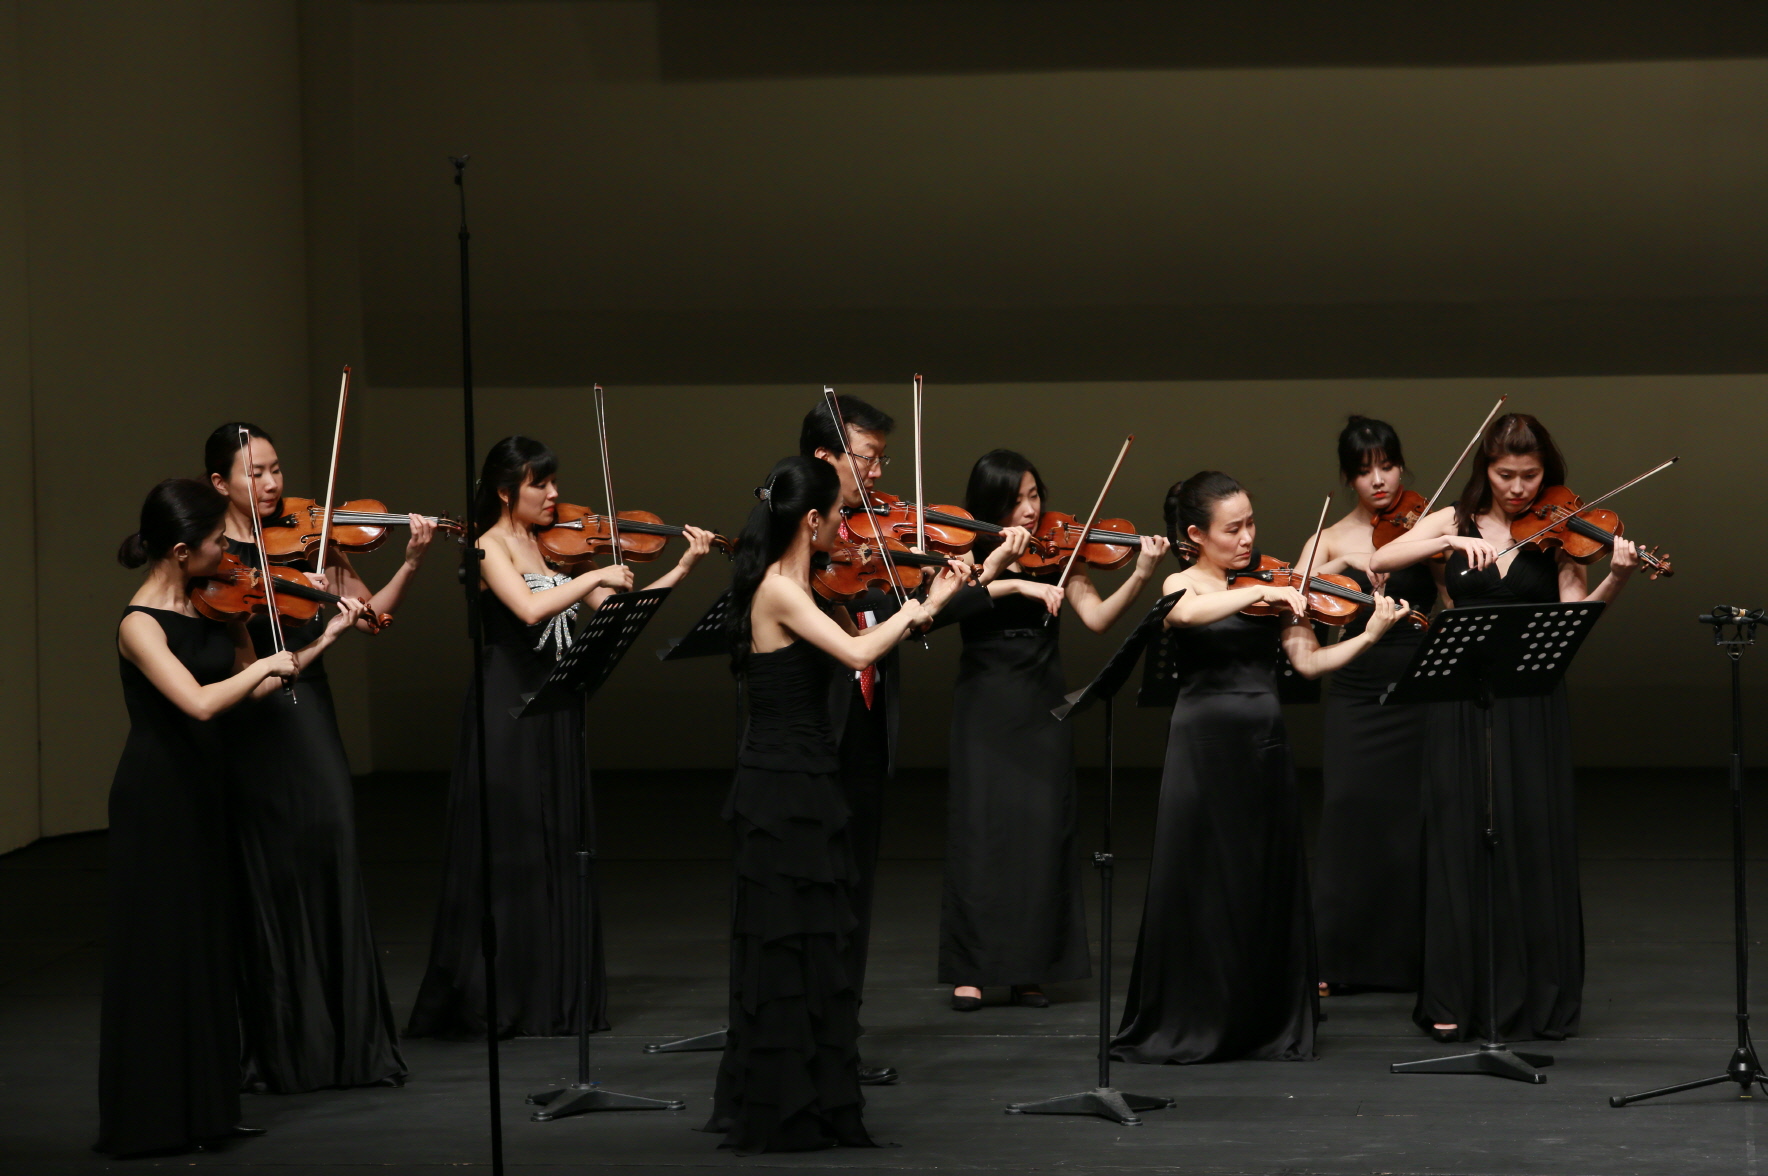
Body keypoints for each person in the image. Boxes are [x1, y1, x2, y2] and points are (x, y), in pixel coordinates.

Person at [409, 436, 713, 1039]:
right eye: (539, 484)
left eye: (553, 482)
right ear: (505, 492)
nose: (554, 494)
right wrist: (593, 572)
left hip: (554, 706)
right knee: (512, 846)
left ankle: (548, 995)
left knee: (554, 844)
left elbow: (615, 608)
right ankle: (500, 996)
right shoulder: (488, 546)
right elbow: (528, 609)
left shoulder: (555, 549)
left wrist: (681, 567)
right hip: (506, 710)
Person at [706, 455, 962, 1153]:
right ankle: (783, 1104)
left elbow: (853, 634)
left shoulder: (807, 585)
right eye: (840, 516)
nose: (847, 528)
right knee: (786, 945)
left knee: (816, 942)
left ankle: (811, 1095)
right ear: (812, 519)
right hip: (780, 781)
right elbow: (857, 656)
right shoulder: (779, 590)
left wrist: (929, 592)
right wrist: (923, 606)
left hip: (806, 773)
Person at [99, 478, 358, 1156]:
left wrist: (320, 638)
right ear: (182, 550)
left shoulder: (214, 603)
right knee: (163, 954)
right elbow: (201, 702)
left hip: (208, 789)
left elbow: (258, 685)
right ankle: (151, 1119)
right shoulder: (139, 624)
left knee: (209, 949)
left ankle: (208, 1110)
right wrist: (264, 658)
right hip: (158, 798)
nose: (230, 551)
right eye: (218, 541)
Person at [1111, 472, 1406, 1065]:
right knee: (1200, 879)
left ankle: (1262, 1018)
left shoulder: (1278, 586)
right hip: (1202, 748)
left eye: (1251, 523)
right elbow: (1185, 616)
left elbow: (1310, 662)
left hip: (1262, 745)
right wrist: (1253, 595)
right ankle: (1196, 1015)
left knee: (1259, 879)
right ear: (1196, 535)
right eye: (1233, 529)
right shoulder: (1183, 583)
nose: (1247, 538)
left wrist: (1370, 636)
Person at [1369, 413, 1636, 1042]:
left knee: (1529, 831)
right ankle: (1454, 993)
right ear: (1485, 470)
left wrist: (1617, 577)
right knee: (1458, 833)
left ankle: (1535, 995)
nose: (1518, 488)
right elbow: (1382, 555)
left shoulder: (1560, 530)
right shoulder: (1453, 520)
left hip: (1531, 698)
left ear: (1547, 473)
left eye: (1530, 476)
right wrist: (1446, 541)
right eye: (1506, 474)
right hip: (1458, 697)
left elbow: (1575, 618)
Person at [204, 422, 426, 1092]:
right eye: (255, 473)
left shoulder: (312, 537)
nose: (272, 483)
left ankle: (350, 1044)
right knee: (269, 872)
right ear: (219, 483)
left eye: (276, 469)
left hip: (309, 716)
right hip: (253, 721)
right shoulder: (214, 553)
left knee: (331, 847)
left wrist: (410, 563)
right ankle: (281, 1046)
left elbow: (370, 616)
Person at [798, 396, 993, 1083]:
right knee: (813, 895)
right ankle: (804, 1039)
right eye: (868, 458)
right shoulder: (795, 538)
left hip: (867, 730)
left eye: (883, 459)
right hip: (810, 738)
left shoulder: (873, 539)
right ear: (825, 457)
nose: (879, 473)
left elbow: (899, 611)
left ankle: (840, 1038)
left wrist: (960, 581)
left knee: (855, 893)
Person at [941, 449, 1169, 1011]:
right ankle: (972, 968)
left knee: (1040, 834)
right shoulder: (965, 549)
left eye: (1034, 495)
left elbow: (1097, 619)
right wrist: (1008, 576)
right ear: (991, 503)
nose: (1030, 509)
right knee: (982, 833)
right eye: (1016, 499)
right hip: (986, 703)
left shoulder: (1060, 552)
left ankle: (1030, 968)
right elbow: (944, 609)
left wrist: (1142, 573)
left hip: (1041, 699)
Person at [1298, 417, 1440, 996]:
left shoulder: (1424, 526)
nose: (1378, 480)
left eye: (1387, 466)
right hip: (1357, 691)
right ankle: (1337, 958)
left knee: (1415, 822)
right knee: (1349, 816)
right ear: (1348, 478)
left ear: (1401, 465)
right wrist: (1343, 569)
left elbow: (1453, 596)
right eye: (1364, 471)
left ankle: (1417, 960)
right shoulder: (1330, 539)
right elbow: (1295, 595)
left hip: (1419, 686)